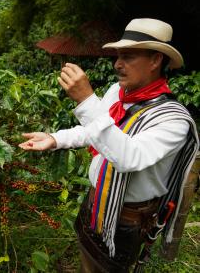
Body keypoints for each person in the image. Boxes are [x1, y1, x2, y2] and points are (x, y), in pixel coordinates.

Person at [19, 18, 199, 272]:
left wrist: (86, 100)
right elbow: (97, 130)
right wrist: (56, 138)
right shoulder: (118, 92)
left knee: (107, 267)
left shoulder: (173, 120)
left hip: (126, 217)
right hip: (97, 199)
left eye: (128, 57)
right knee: (88, 260)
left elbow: (128, 157)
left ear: (156, 60)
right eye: (117, 56)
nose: (117, 64)